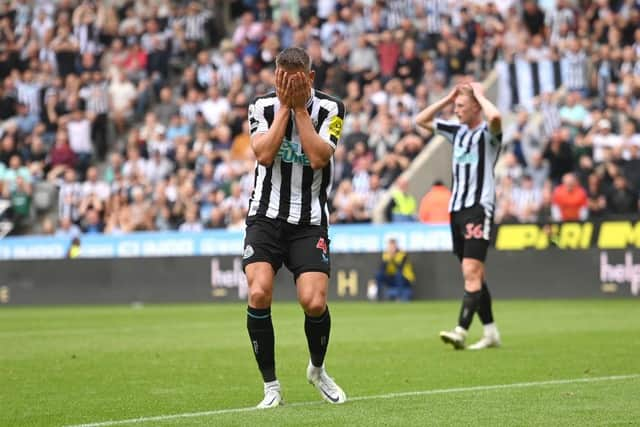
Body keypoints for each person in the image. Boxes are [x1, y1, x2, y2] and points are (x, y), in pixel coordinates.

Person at [242, 47, 347, 409]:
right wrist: (286, 106)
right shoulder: (261, 107)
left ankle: (317, 370)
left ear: (310, 78)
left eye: (295, 77)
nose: (287, 83)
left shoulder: (331, 110)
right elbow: (264, 154)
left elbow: (319, 157)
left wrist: (300, 108)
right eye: (282, 77)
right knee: (258, 293)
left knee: (314, 302)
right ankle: (271, 386)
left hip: (309, 221)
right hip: (265, 216)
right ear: (274, 76)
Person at [415, 82, 502, 350]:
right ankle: (490, 332)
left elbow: (496, 116)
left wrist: (479, 94)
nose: (456, 110)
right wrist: (448, 98)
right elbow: (421, 120)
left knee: (470, 271)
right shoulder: (456, 131)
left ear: (476, 107)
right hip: (457, 211)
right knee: (476, 274)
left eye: (461, 106)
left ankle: (461, 330)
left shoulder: (488, 134)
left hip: (478, 207)